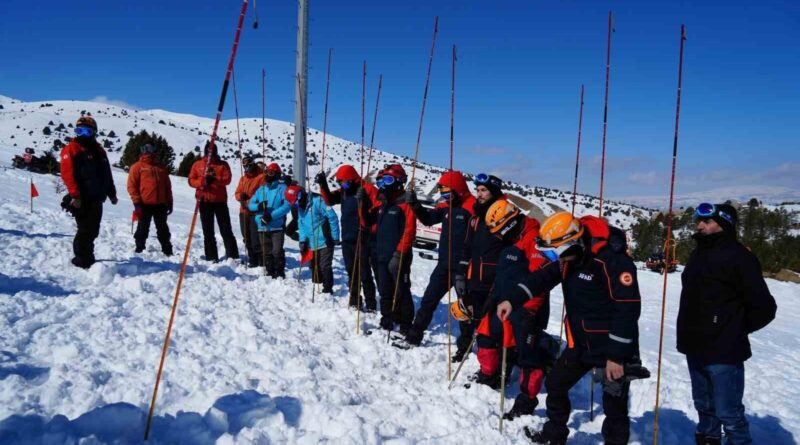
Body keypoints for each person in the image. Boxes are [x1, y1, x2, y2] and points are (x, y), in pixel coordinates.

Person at [505, 212, 642, 445]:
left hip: (612, 349)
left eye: (553, 253)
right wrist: (512, 299)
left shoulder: (611, 260)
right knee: (556, 383)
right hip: (581, 344)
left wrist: (617, 357)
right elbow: (541, 278)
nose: (553, 258)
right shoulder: (568, 259)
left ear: (572, 242)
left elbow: (627, 308)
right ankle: (554, 436)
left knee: (614, 407)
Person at [677, 203, 777, 445]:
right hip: (695, 346)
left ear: (724, 224)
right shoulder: (699, 252)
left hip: (723, 351)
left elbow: (765, 307)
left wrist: (732, 329)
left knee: (728, 413)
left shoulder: (740, 257)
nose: (700, 226)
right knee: (704, 408)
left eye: (707, 222)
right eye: (699, 221)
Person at [471, 200, 550, 421]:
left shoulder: (534, 241)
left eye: (498, 232)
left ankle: (527, 399)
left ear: (508, 224)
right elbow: (502, 276)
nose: (496, 237)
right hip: (502, 305)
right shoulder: (510, 241)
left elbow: (539, 281)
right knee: (485, 336)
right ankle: (489, 375)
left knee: (528, 356)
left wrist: (529, 312)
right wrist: (491, 297)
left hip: (526, 310)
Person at [397, 170, 475, 347]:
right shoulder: (446, 206)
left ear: (458, 190)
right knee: (428, 301)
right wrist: (415, 204)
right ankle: (413, 337)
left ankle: (465, 347)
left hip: (463, 268)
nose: (444, 197)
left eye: (447, 193)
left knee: (464, 309)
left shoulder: (472, 208)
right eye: (442, 193)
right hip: (443, 265)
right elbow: (428, 219)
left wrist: (468, 264)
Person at [452, 173, 506, 362]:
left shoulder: (504, 215)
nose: (479, 194)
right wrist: (460, 272)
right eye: (477, 190)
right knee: (466, 314)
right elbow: (466, 247)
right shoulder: (475, 217)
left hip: (491, 280)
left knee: (487, 322)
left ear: (494, 192)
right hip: (472, 275)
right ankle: (464, 348)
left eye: (484, 190)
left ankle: (490, 358)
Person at [316, 164, 381, 311]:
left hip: (363, 237)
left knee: (365, 273)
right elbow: (329, 200)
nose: (342, 186)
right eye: (339, 183)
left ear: (352, 180)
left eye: (343, 182)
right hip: (347, 237)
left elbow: (379, 210)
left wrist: (365, 205)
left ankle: (371, 304)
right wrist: (323, 184)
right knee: (352, 272)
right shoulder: (345, 191)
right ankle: (354, 300)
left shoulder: (367, 189)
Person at [60, 116, 118, 268]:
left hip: (97, 197)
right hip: (82, 197)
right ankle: (81, 259)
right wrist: (75, 195)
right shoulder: (72, 149)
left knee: (93, 229)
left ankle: (88, 256)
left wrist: (112, 193)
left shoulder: (99, 151)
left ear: (94, 132)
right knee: (85, 229)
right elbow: (67, 173)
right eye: (80, 130)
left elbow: (107, 173)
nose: (83, 134)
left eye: (87, 130)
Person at [372, 164, 416, 333]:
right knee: (384, 289)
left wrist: (399, 253)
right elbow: (372, 225)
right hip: (381, 254)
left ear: (399, 182)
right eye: (384, 179)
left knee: (402, 289)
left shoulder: (406, 203)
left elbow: (409, 231)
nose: (385, 183)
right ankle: (387, 316)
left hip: (399, 256)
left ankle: (406, 322)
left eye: (389, 180)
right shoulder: (384, 203)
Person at [188, 141, 239, 262]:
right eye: (209, 152)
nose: (211, 154)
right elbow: (191, 180)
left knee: (226, 230)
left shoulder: (223, 165)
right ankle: (211, 257)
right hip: (204, 201)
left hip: (220, 201)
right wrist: (202, 182)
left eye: (213, 152)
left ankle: (233, 256)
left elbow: (227, 179)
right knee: (208, 231)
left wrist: (214, 179)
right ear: (205, 152)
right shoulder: (198, 164)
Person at [285, 184, 340, 293]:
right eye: (294, 205)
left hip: (325, 240)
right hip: (311, 242)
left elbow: (332, 217)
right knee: (314, 266)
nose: (296, 206)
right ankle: (317, 285)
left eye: (296, 202)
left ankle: (328, 289)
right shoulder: (300, 208)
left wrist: (335, 236)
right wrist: (302, 240)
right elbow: (301, 225)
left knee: (325, 265)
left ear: (300, 195)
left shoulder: (318, 201)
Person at [127, 143, 173, 255]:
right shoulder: (137, 167)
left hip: (161, 204)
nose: (150, 152)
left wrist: (169, 202)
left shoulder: (161, 167)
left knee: (163, 228)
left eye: (152, 150)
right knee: (142, 227)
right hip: (144, 204)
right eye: (148, 150)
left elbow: (167, 186)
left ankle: (167, 249)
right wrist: (137, 202)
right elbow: (131, 186)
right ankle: (139, 248)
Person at [248, 163, 291, 278]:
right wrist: (258, 206)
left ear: (277, 174)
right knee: (266, 252)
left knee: (277, 251)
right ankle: (270, 272)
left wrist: (271, 216)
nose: (268, 175)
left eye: (271, 173)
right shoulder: (261, 189)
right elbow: (250, 205)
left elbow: (287, 206)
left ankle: (280, 273)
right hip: (262, 226)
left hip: (276, 226)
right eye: (266, 172)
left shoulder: (283, 189)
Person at [234, 157, 265, 267]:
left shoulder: (261, 177)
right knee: (246, 236)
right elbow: (237, 192)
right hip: (243, 212)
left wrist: (248, 200)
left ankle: (260, 259)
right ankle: (252, 257)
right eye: (245, 166)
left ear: (253, 164)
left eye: (249, 165)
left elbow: (262, 195)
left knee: (255, 237)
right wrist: (240, 197)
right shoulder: (243, 179)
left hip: (254, 212)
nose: (247, 168)